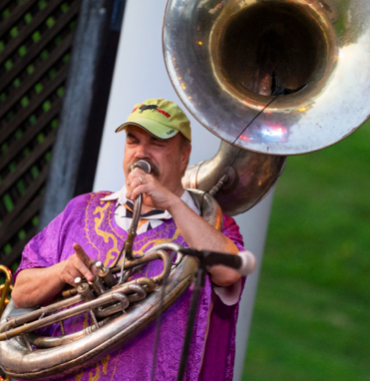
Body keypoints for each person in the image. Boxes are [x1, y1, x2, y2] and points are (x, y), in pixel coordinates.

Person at [12, 99, 250, 381]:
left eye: (156, 143)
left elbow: (231, 271)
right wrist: (61, 272)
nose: (141, 153)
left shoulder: (210, 225)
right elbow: (20, 293)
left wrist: (172, 203)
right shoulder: (82, 208)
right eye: (132, 141)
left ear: (184, 155)